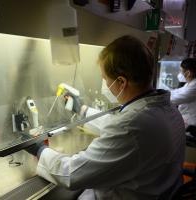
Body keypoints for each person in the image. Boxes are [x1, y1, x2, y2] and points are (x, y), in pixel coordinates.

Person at [26, 35, 185, 200]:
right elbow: (118, 124)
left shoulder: (133, 125)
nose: (104, 84)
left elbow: (73, 174)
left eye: (104, 79)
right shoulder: (167, 110)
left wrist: (40, 150)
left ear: (121, 82)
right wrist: (82, 110)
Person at [170, 58, 196, 134]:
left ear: (188, 73)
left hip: (192, 126)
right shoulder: (190, 83)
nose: (179, 73)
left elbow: (173, 100)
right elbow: (177, 92)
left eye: (180, 71)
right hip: (186, 121)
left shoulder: (194, 86)